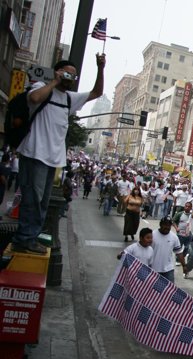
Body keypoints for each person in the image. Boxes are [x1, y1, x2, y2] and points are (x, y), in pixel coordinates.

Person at [12, 54, 104, 253]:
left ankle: (31, 237)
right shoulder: (42, 89)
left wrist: (100, 68)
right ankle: (24, 239)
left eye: (74, 75)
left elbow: (97, 92)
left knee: (43, 202)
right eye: (67, 73)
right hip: (34, 152)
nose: (70, 78)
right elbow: (34, 99)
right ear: (58, 72)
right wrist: (54, 80)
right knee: (32, 199)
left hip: (53, 159)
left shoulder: (70, 99)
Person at [151, 216, 186, 282]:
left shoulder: (174, 237)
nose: (167, 227)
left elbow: (179, 252)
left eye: (169, 225)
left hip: (168, 270)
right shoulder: (152, 235)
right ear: (160, 224)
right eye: (165, 224)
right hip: (153, 269)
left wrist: (184, 265)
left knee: (170, 290)